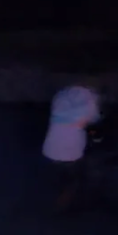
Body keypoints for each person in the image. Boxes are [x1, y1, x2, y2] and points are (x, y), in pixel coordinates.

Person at [41, 80, 104, 211]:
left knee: (55, 179)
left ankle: (52, 203)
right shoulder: (90, 101)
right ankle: (64, 205)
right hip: (71, 151)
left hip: (50, 148)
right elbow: (94, 120)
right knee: (72, 179)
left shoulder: (60, 97)